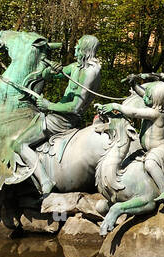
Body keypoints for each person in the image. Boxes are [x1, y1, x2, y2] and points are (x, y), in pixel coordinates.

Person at [14, 35, 102, 193]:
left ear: (85, 50)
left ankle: (45, 181)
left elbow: (75, 107)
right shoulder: (77, 67)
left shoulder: (90, 72)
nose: (74, 49)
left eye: (78, 46)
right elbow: (54, 75)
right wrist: (50, 70)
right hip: (60, 115)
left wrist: (50, 105)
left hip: (62, 120)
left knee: (19, 144)